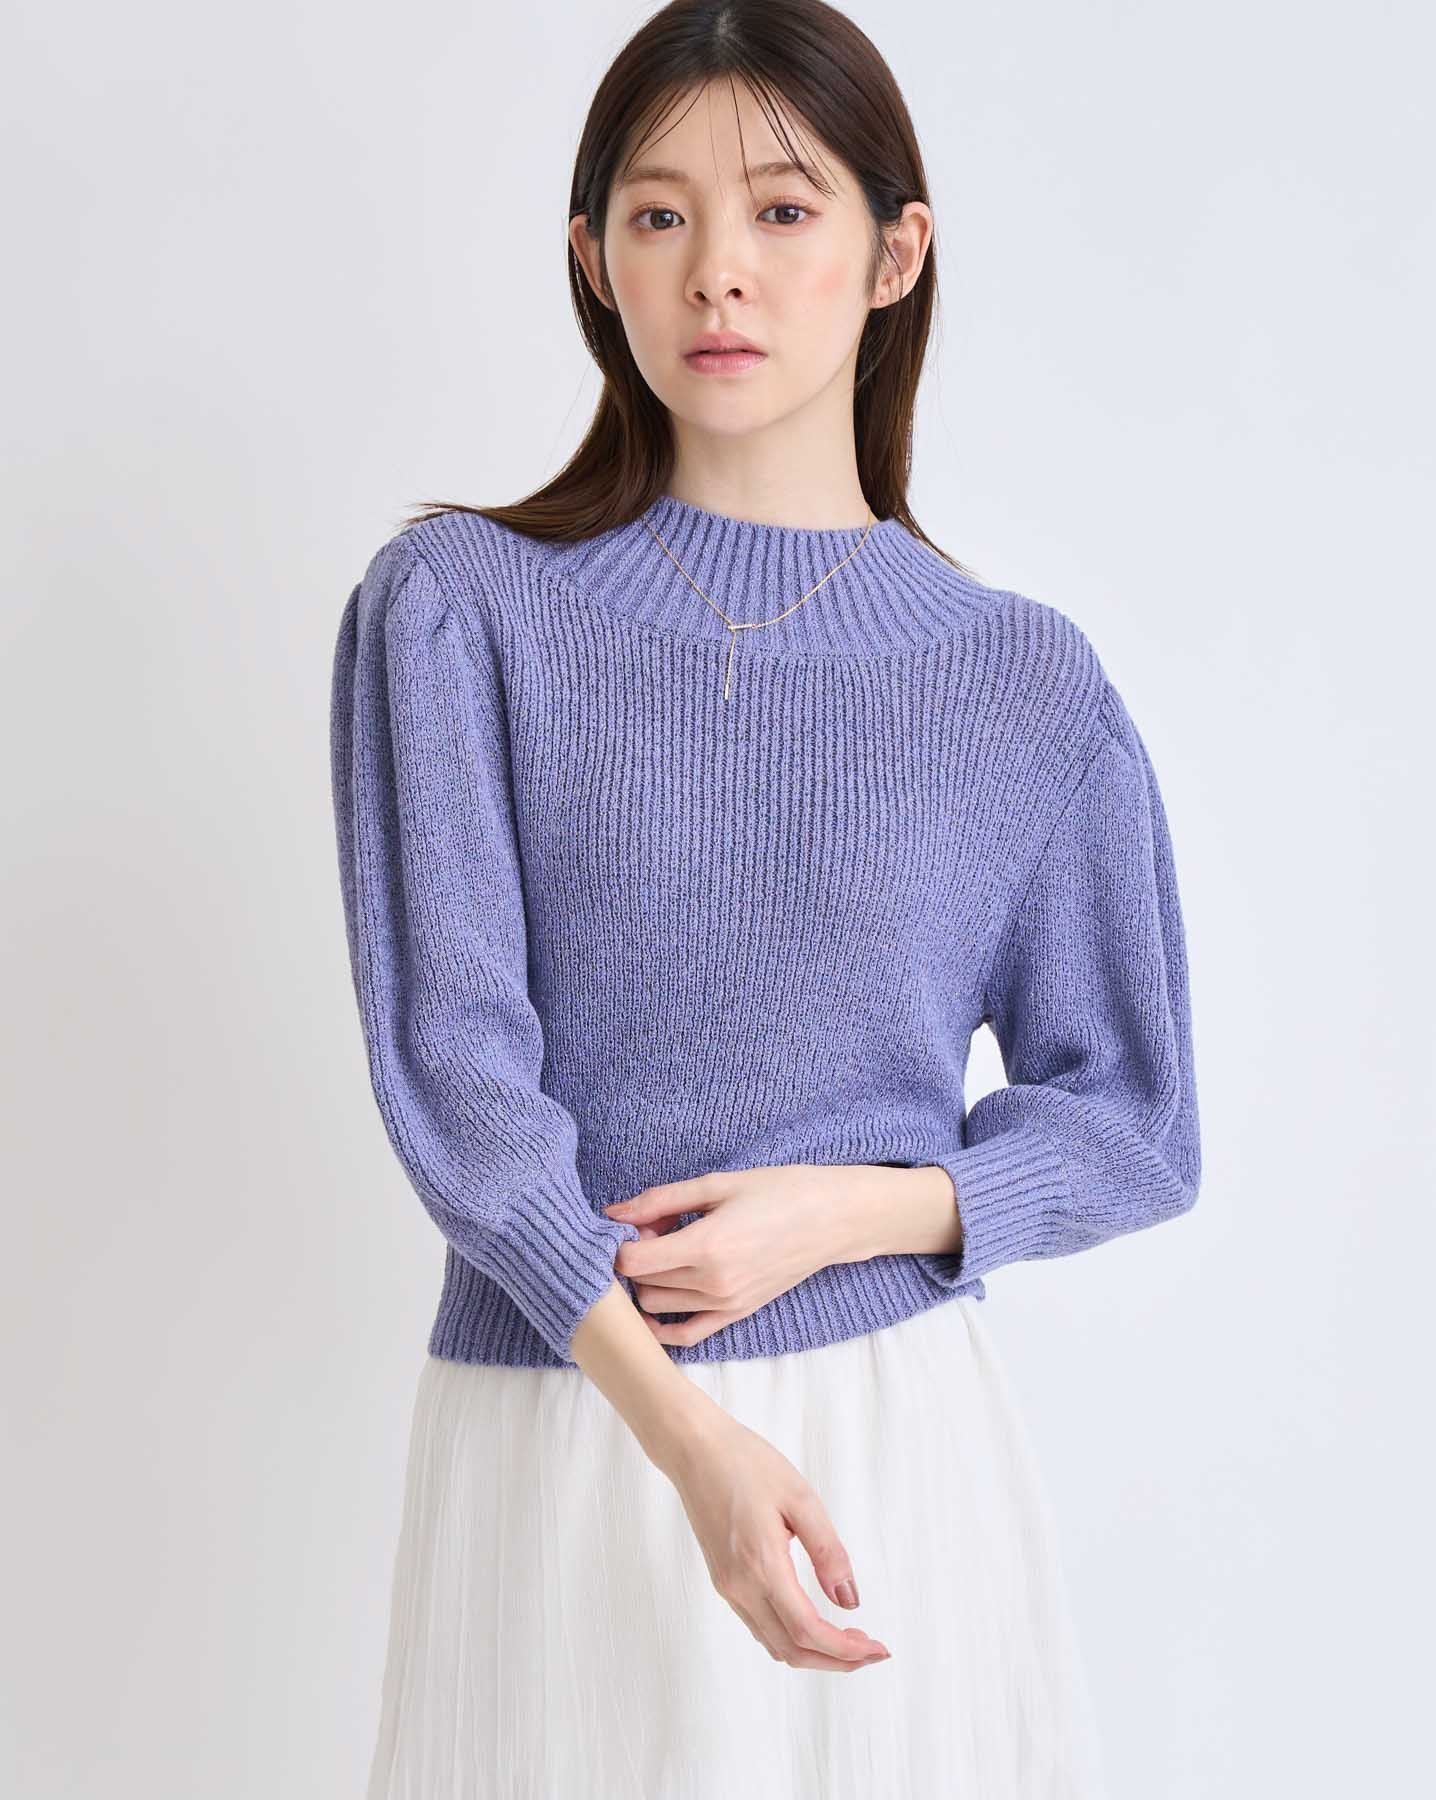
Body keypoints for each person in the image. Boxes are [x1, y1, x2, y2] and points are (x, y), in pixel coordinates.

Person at [329, 2, 1202, 1794]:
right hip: (572, 1425)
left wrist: (853, 1214)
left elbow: (1136, 1120)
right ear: (594, 260)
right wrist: (691, 1446)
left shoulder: (1022, 684)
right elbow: (458, 1084)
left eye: (783, 212)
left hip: (893, 1447)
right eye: (659, 217)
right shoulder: (460, 611)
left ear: (896, 254)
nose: (717, 270)